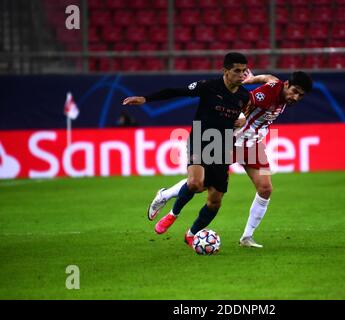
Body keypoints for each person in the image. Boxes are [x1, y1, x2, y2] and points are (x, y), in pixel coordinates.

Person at [148, 69, 313, 248]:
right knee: (201, 185)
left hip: (254, 145)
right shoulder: (267, 94)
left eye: (300, 96)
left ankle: (247, 237)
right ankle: (165, 195)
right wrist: (241, 114)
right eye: (295, 91)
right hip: (231, 141)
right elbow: (243, 100)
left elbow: (267, 77)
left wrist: (251, 79)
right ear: (287, 85)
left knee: (265, 189)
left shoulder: (277, 85)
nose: (295, 97)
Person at [123, 52, 250, 247]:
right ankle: (173, 214)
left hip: (222, 146)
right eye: (236, 71)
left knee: (215, 200)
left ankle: (191, 233)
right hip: (200, 138)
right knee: (195, 183)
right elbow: (176, 91)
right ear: (225, 71)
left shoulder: (244, 95)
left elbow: (243, 115)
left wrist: (241, 121)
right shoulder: (208, 87)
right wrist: (145, 99)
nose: (241, 75)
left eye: (243, 71)